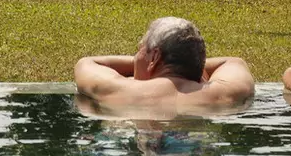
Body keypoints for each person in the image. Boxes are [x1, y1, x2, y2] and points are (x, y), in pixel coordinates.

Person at [73, 17, 255, 112]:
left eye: (140, 50)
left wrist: (143, 67)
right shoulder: (224, 93)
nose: (136, 57)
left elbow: (87, 63)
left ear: (154, 57)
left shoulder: (121, 89)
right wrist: (188, 63)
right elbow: (233, 62)